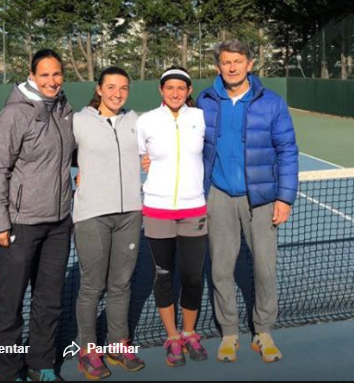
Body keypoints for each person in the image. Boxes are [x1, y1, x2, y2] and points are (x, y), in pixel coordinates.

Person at [197, 40, 299, 363]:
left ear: (250, 64)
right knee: (221, 269)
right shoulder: (205, 100)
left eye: (237, 61)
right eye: (226, 62)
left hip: (262, 199)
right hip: (219, 196)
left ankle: (263, 331)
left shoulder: (272, 102)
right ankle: (229, 332)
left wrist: (285, 197)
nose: (231, 67)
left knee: (265, 268)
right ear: (218, 66)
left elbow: (287, 151)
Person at [0, 49, 75, 381]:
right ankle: (7, 372)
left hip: (59, 222)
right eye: (45, 74)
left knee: (48, 301)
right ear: (32, 75)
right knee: (10, 304)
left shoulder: (64, 107)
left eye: (57, 74)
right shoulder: (13, 114)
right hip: (20, 225)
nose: (52, 81)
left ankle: (41, 365)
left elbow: (69, 152)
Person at [73, 67, 145, 380]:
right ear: (99, 89)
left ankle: (118, 344)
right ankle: (88, 350)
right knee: (92, 286)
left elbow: (154, 151)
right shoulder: (77, 121)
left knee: (121, 284)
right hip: (92, 215)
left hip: (130, 213)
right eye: (111, 87)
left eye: (124, 88)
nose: (117, 93)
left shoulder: (136, 121)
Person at [137, 67, 208, 368]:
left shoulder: (201, 118)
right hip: (157, 209)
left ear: (189, 90)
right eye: (170, 88)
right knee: (163, 275)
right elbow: (140, 157)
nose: (175, 93)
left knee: (192, 276)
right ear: (161, 90)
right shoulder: (146, 121)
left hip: (195, 209)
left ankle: (190, 331)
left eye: (181, 87)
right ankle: (172, 337)